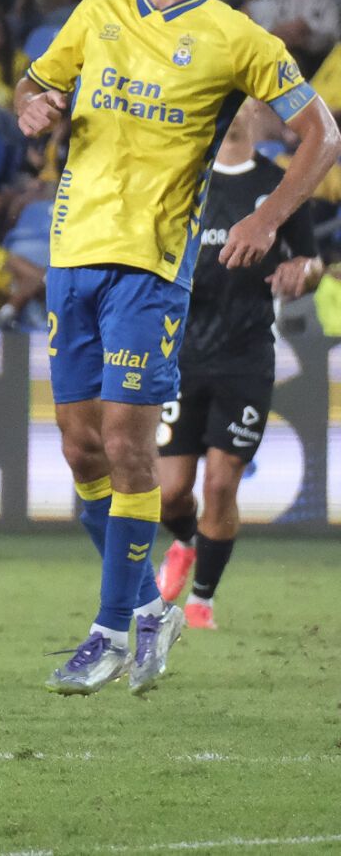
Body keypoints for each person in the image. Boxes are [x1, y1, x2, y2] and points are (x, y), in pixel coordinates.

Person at [15, 0, 340, 696]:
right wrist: (33, 107)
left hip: (154, 267)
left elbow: (322, 136)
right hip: (72, 257)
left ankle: (109, 628)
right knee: (81, 446)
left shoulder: (239, 39)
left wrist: (266, 219)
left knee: (128, 441)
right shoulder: (99, 11)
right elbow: (37, 85)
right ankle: (147, 603)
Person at [152, 100, 322, 631]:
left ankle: (202, 599)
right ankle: (184, 543)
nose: (235, 105)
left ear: (256, 107)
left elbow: (311, 260)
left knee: (222, 485)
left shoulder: (279, 184)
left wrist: (303, 272)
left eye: (245, 95)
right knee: (171, 492)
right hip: (181, 355)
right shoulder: (184, 179)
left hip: (247, 355)